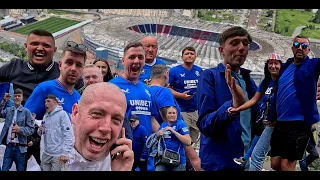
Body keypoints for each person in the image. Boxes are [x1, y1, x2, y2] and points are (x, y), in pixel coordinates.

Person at [196, 26, 258, 171]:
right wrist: (232, 107)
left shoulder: (248, 81)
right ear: (221, 50)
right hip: (219, 164)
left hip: (246, 163)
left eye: (245, 43)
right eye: (235, 43)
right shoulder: (209, 77)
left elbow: (258, 121)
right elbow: (205, 124)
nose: (241, 48)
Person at [269, 35, 320, 171]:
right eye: (297, 44)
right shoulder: (285, 67)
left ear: (308, 50)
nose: (300, 48)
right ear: (292, 47)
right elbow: (277, 92)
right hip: (280, 123)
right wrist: (271, 116)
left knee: (286, 165)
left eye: (304, 46)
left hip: (299, 124)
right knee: (275, 164)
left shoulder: (313, 66)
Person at [109, 41, 159, 171]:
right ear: (123, 61)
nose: (136, 61)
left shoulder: (146, 89)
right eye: (132, 57)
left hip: (145, 154)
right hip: (121, 154)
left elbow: (151, 118)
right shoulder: (112, 86)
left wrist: (164, 135)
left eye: (140, 57)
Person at [0, 30, 84, 105]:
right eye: (34, 44)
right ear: (26, 47)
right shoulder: (14, 66)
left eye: (46, 45)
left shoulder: (65, 72)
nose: (40, 48)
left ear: (54, 50)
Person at [228, 53, 282, 170]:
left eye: (276, 63)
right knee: (257, 144)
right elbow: (254, 100)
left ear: (281, 66)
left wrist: (276, 118)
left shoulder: (283, 82)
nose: (273, 66)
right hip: (264, 119)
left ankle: (246, 159)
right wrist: (238, 109)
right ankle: (245, 158)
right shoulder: (266, 82)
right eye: (270, 63)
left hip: (275, 124)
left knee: (257, 157)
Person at [67, 82, 134, 171]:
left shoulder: (116, 161)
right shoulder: (45, 144)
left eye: (116, 119)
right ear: (75, 113)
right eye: (97, 114)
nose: (106, 128)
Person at [149, 64, 201, 171]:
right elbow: (169, 120)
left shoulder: (145, 90)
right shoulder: (163, 92)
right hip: (171, 150)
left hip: (155, 146)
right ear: (166, 74)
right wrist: (192, 154)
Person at [24, 41, 86, 119]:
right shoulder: (44, 89)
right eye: (69, 63)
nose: (73, 68)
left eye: (78, 65)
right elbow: (24, 122)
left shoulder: (78, 98)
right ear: (60, 65)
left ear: (82, 69)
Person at [168, 46, 203, 147]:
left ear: (195, 56)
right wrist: (181, 95)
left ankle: (190, 160)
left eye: (192, 54)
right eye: (187, 54)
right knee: (182, 138)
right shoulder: (174, 71)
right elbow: (167, 89)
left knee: (194, 139)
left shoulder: (199, 71)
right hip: (181, 110)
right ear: (182, 56)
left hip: (196, 111)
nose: (189, 56)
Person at [37, 94, 74, 171]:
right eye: (45, 102)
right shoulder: (45, 116)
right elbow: (41, 134)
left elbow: (69, 136)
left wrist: (65, 153)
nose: (45, 104)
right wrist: (40, 130)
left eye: (48, 101)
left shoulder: (62, 114)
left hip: (58, 155)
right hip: (46, 153)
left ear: (55, 102)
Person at [0, 88, 34, 171]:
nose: (17, 98)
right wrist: (3, 101)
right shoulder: (9, 110)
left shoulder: (26, 112)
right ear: (13, 98)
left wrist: (20, 129)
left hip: (20, 148)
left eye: (19, 96)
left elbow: (31, 129)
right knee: (4, 169)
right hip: (9, 146)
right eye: (15, 96)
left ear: (22, 98)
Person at [148, 106, 191, 171]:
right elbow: (154, 141)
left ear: (177, 114)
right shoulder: (163, 125)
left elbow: (188, 142)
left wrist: (174, 132)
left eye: (174, 113)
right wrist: (158, 134)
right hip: (163, 159)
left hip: (178, 160)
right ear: (166, 115)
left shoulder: (181, 124)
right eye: (170, 113)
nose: (172, 115)